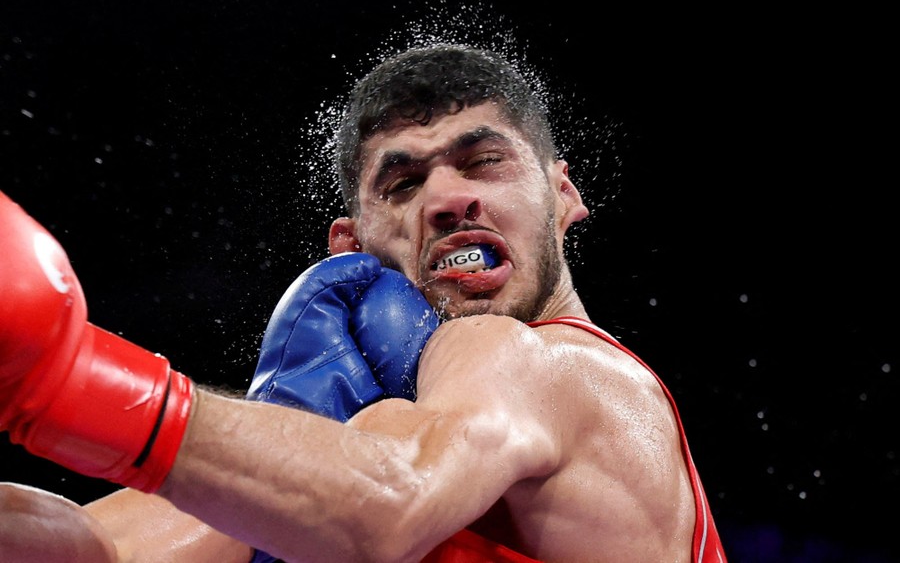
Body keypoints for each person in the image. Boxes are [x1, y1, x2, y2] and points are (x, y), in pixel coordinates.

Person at [0, 43, 726, 562]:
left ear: (562, 194)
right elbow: (94, 547)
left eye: (483, 162)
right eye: (403, 183)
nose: (446, 198)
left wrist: (62, 378)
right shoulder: (346, 454)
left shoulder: (548, 364)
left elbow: (390, 506)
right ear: (350, 249)